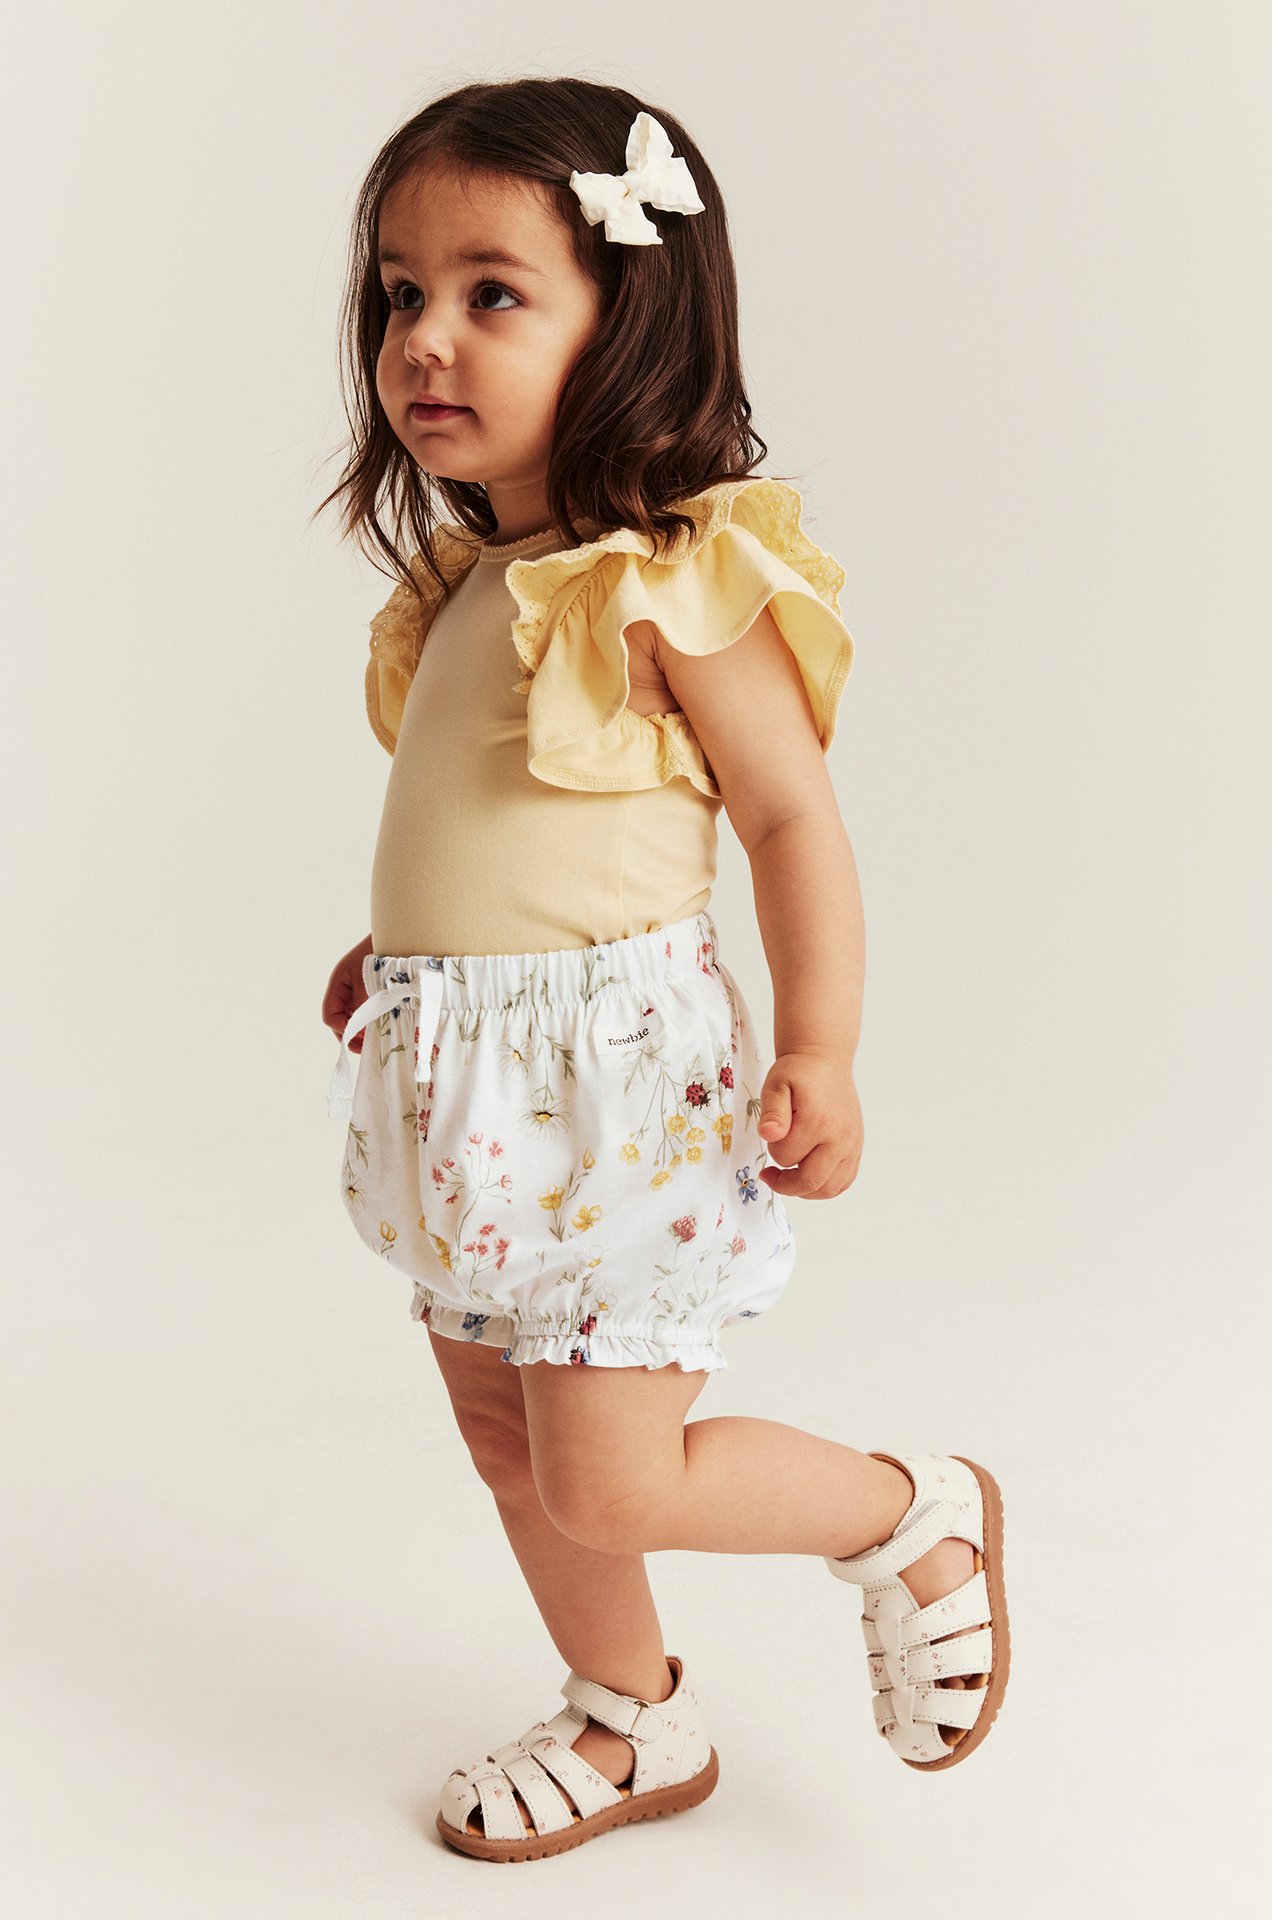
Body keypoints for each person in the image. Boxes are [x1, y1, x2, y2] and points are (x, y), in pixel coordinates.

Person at [317, 77, 1009, 1864]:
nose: (426, 339)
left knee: (613, 1462)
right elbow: (489, 831)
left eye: (492, 291)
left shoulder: (675, 575)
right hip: (467, 1088)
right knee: (509, 1439)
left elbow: (789, 820)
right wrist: (404, 960)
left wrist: (828, 1046)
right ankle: (633, 1718)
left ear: (629, 321)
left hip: (617, 1099)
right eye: (401, 292)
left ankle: (904, 1511)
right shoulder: (479, 575)